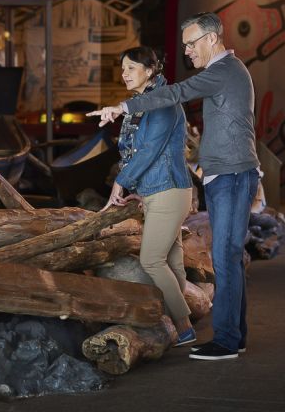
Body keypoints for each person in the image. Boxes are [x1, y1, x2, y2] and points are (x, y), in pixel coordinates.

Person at [88, 12, 259, 361]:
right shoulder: (227, 72)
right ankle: (232, 336)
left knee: (224, 258)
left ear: (212, 38)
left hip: (231, 176)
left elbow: (176, 92)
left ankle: (225, 341)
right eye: (184, 46)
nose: (187, 52)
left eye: (192, 44)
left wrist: (122, 106)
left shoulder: (222, 71)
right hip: (224, 175)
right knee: (223, 257)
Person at [102, 46, 197, 348]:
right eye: (123, 68)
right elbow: (138, 152)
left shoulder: (164, 103)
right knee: (172, 260)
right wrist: (139, 192)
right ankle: (178, 323)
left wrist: (121, 183)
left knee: (152, 260)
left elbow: (149, 150)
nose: (124, 74)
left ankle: (182, 325)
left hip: (169, 190)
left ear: (149, 70)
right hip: (158, 191)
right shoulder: (139, 104)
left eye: (131, 68)